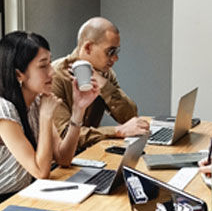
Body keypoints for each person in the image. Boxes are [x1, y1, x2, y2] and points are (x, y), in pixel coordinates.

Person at [0, 31, 100, 211]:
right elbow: (40, 172)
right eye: (43, 66)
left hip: (20, 194)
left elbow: (63, 157)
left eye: (50, 62)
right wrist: (45, 117)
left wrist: (78, 109)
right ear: (19, 74)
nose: (52, 71)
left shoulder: (37, 101)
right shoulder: (1, 110)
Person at [51, 17, 149, 150]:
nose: (115, 58)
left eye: (117, 51)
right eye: (110, 52)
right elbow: (64, 135)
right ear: (88, 47)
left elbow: (130, 117)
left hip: (89, 154)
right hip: (59, 163)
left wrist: (104, 86)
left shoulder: (105, 74)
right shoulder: (56, 76)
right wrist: (116, 131)